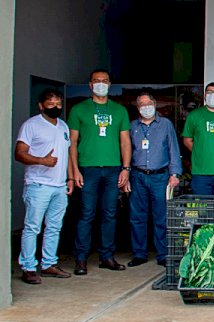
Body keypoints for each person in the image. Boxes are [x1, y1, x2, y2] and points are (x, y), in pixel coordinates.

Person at [68, 69, 132, 275]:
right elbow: (72, 143)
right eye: (97, 81)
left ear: (110, 84)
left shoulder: (119, 110)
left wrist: (126, 168)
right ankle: (81, 258)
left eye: (104, 81)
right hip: (88, 169)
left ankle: (107, 256)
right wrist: (75, 171)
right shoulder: (79, 110)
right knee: (86, 213)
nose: (101, 84)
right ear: (90, 84)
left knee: (110, 214)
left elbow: (125, 141)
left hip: (113, 169)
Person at [14, 89, 74, 284]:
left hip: (59, 186)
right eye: (51, 103)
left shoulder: (63, 126)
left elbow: (68, 155)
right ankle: (28, 267)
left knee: (55, 227)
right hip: (38, 185)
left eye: (58, 103)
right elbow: (19, 153)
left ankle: (49, 264)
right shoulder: (31, 125)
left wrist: (70, 179)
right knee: (32, 227)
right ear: (41, 105)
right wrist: (42, 161)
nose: (55, 107)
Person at [125, 93, 182, 267]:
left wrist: (175, 174)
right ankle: (139, 253)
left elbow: (173, 148)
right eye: (141, 104)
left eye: (148, 103)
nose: (146, 107)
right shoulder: (132, 126)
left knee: (161, 216)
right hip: (138, 175)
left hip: (160, 176)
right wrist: (125, 173)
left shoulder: (165, 125)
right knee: (137, 217)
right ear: (137, 107)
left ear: (155, 104)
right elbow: (126, 151)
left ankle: (163, 254)